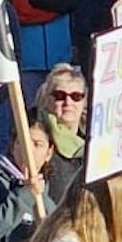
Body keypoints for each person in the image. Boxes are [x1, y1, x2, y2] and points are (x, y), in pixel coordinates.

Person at [34, 64, 89, 202]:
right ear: (47, 99)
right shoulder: (37, 140)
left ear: (84, 102)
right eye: (60, 95)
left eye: (76, 96)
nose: (68, 102)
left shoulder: (92, 144)